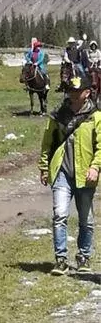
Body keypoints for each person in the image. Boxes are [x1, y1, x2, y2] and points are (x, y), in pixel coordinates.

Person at [39, 73, 101, 275]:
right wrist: (44, 167)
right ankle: (61, 259)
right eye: (70, 91)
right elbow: (47, 142)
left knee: (86, 219)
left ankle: (83, 256)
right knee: (60, 215)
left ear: (87, 92)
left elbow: (100, 146)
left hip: (85, 173)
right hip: (61, 172)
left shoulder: (95, 116)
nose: (73, 95)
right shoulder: (58, 114)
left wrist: (96, 167)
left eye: (77, 91)